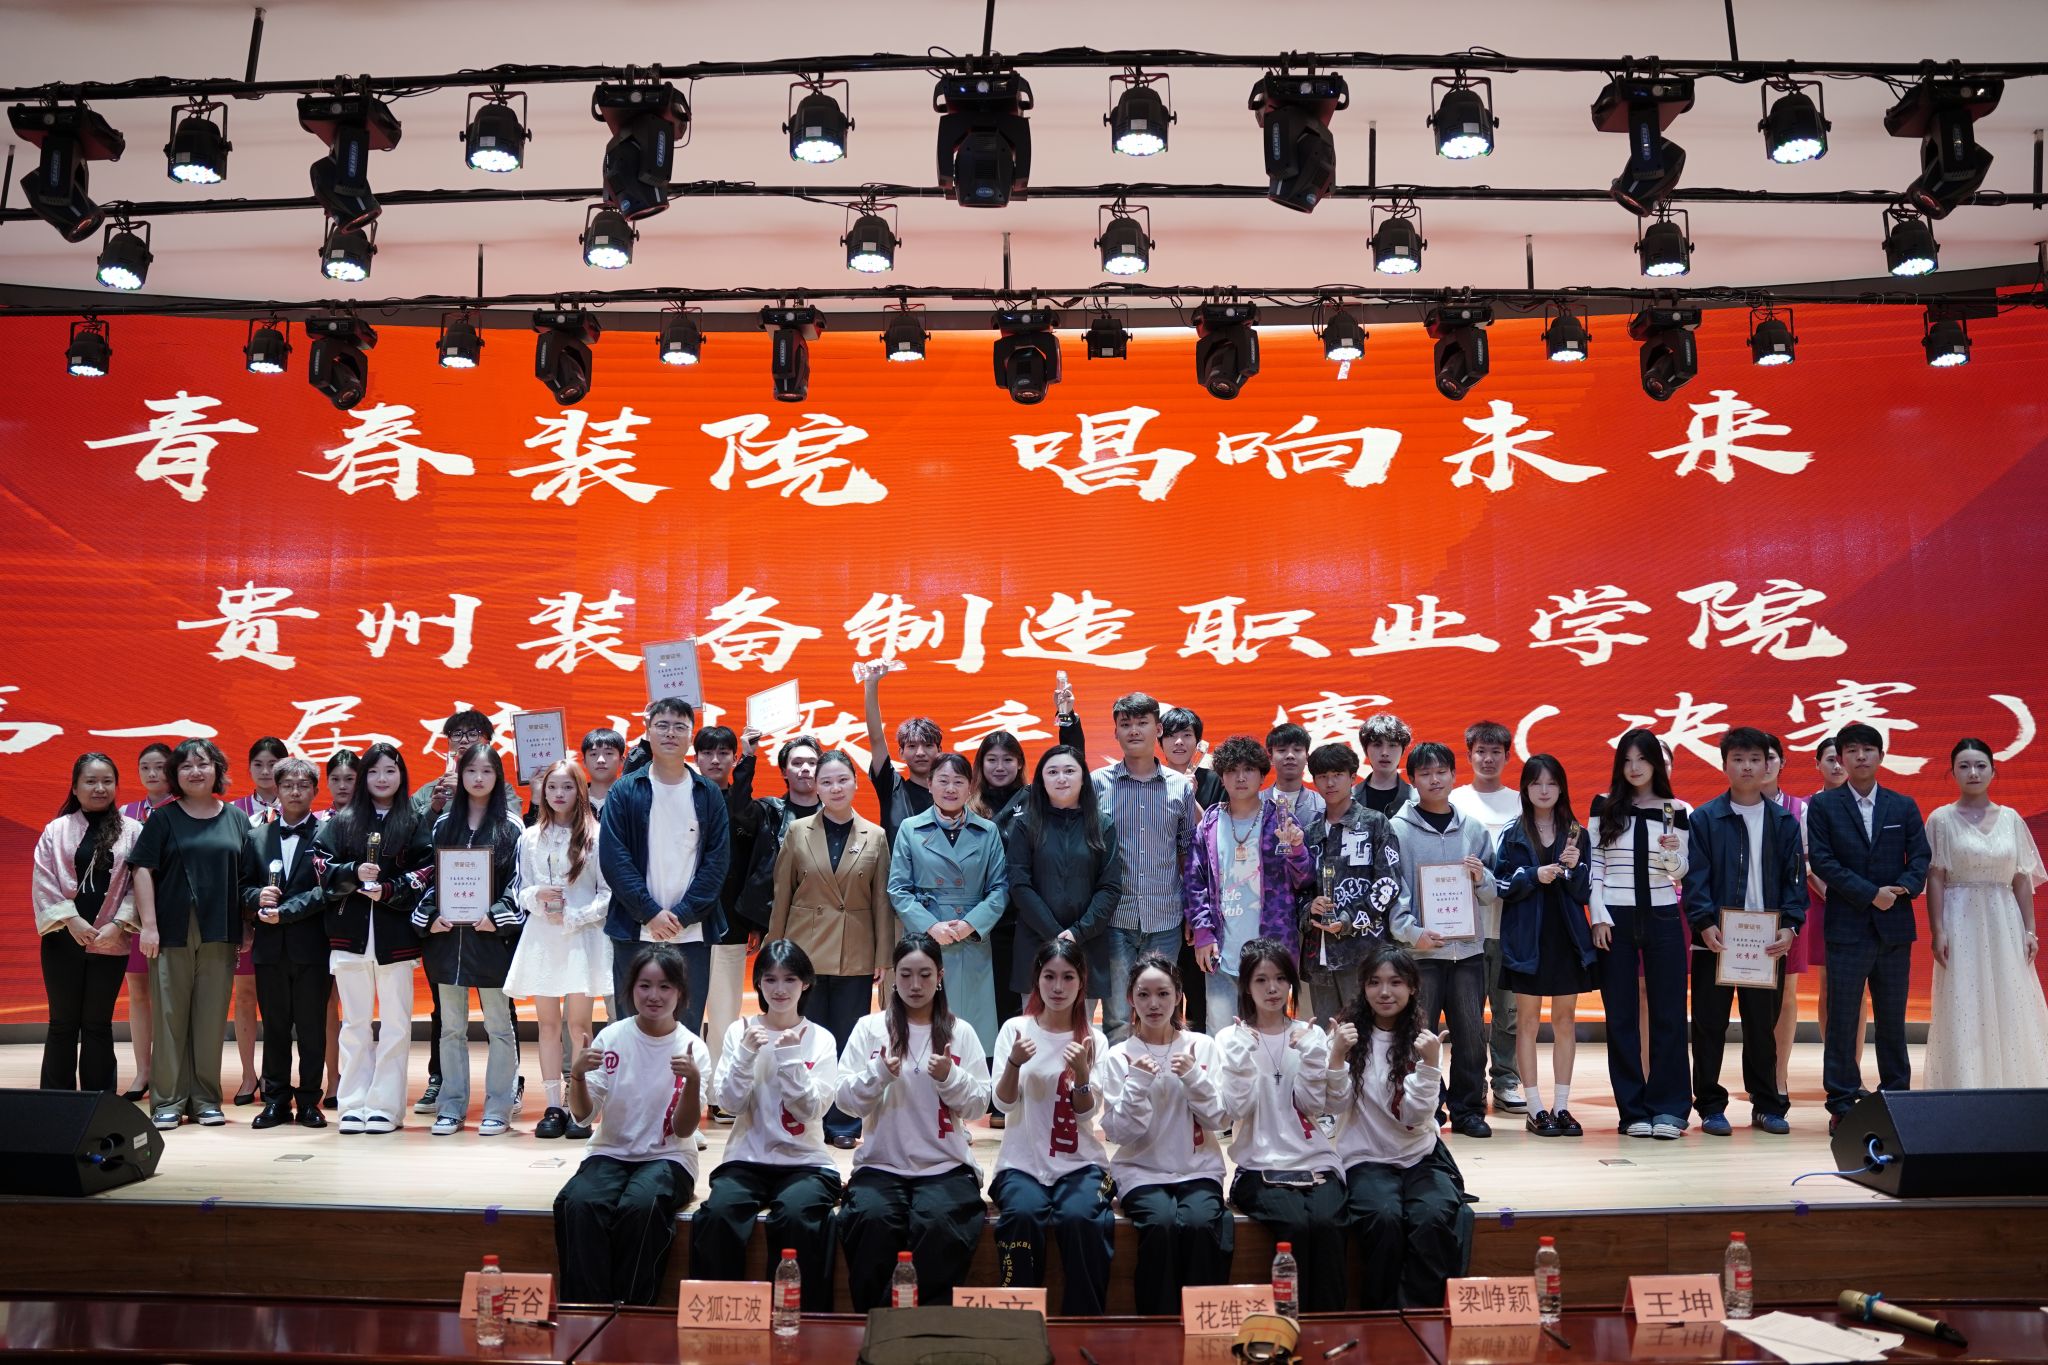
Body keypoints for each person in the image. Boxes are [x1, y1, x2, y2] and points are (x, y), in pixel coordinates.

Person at [834, 932, 993, 1312]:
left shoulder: (960, 1031)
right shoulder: (870, 1028)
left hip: (945, 1166)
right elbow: (844, 1102)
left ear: (940, 977)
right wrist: (877, 1075)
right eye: (906, 975)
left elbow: (977, 1106)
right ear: (893, 977)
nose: (915, 985)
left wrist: (950, 1077)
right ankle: (877, 1324)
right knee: (870, 1220)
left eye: (925, 975)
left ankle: (919, 1325)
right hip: (881, 1164)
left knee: (940, 1225)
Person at [690, 939, 844, 1310]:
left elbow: (811, 1111)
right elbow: (729, 1104)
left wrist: (790, 1058)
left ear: (806, 983)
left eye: (789, 979)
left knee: (798, 1218)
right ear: (758, 983)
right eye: (770, 979)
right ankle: (720, 1317)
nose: (779, 989)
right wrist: (745, 1054)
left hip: (806, 1162)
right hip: (747, 1159)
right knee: (717, 1215)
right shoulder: (740, 1031)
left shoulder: (820, 1038)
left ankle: (799, 1320)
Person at [555, 943, 709, 1306]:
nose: (654, 995)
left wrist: (693, 1082)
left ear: (680, 993)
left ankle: (632, 1311)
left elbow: (684, 1131)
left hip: (669, 1158)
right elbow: (582, 1116)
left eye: (665, 986)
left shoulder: (691, 1048)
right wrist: (577, 1076)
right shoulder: (612, 1038)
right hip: (610, 1152)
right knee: (577, 1202)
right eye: (645, 985)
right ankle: (587, 1311)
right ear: (631, 989)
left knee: (643, 1206)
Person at [1332, 943, 1474, 1309]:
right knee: (1383, 1217)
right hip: (1365, 1157)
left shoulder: (1421, 1041)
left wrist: (1430, 1066)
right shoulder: (1349, 1038)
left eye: (1395, 982)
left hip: (1419, 1155)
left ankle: (1421, 1316)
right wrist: (1335, 1057)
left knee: (1432, 1216)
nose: (1384, 992)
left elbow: (1414, 1118)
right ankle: (1380, 1316)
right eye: (1374, 982)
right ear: (1363, 987)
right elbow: (1333, 1106)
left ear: (1412, 987)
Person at [1807, 722, 1931, 1133]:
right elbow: (1823, 861)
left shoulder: (1903, 805)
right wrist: (1870, 893)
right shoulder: (1824, 806)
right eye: (1852, 750)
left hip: (1894, 928)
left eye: (1868, 749)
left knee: (1892, 1020)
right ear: (1841, 758)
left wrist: (1902, 889)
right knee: (1842, 1020)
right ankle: (1842, 1103)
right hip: (1847, 928)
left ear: (1881, 756)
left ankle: (1897, 1097)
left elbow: (1920, 857)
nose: (1860, 757)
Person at [1682, 729, 1805, 1136]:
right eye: (1738, 759)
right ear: (1724, 765)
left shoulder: (1784, 821)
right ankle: (1710, 1106)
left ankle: (1766, 1104)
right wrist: (1704, 923)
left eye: (1755, 759)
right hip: (1715, 940)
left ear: (1769, 764)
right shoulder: (1704, 818)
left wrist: (1790, 925)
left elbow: (1794, 881)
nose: (1747, 766)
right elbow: (1695, 879)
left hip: (1766, 942)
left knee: (1761, 1027)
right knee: (1708, 1025)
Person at [1097, 952, 1233, 1316]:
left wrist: (1194, 1077)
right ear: (1130, 998)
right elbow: (1119, 1134)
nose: (1153, 1004)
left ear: (1178, 996)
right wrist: (1137, 1085)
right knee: (1160, 1224)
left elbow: (1219, 1118)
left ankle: (1203, 1320)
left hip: (1197, 1168)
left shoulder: (1202, 1046)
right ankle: (1158, 1324)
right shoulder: (1119, 1055)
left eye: (1163, 994)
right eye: (1143, 995)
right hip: (1140, 1170)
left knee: (1201, 1224)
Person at [129, 738, 255, 1130]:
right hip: (171, 930)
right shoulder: (163, 818)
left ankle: (205, 1100)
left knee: (211, 1017)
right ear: (175, 774)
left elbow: (246, 879)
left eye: (203, 764)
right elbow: (142, 870)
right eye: (186, 766)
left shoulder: (236, 819)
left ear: (217, 770)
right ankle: (167, 1100)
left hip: (221, 929)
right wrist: (149, 925)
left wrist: (246, 924)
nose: (195, 772)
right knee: (170, 1015)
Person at [770, 750, 892, 1149]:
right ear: (816, 787)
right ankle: (802, 1118)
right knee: (805, 1037)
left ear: (855, 783)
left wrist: (883, 957)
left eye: (842, 780)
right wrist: (775, 953)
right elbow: (782, 895)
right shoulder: (797, 831)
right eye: (826, 782)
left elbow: (882, 902)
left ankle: (842, 1123)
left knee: (846, 1039)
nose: (835, 788)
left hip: (854, 950)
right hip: (802, 951)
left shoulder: (875, 835)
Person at [1216, 938, 1346, 1314]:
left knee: (1328, 1222)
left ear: (1290, 982)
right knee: (1295, 1225)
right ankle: (1288, 1321)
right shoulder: (1230, 1038)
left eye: (1280, 979)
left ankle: (1330, 1326)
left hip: (1314, 1159)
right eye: (1261, 980)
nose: (1272, 988)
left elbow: (1313, 1106)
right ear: (1246, 986)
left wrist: (1313, 1054)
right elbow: (1235, 1110)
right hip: (1259, 1164)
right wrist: (1241, 1060)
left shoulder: (1310, 1034)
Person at [989, 939, 1115, 1315]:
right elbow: (1003, 1104)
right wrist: (1013, 1063)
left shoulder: (1094, 1039)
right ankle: (1019, 1323)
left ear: (1082, 983)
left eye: (1068, 977)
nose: (1058, 987)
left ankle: (1083, 1323)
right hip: (1021, 1164)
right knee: (1021, 1216)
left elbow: (1085, 1116)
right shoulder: (1016, 1029)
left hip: (1081, 1165)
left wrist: (1082, 1076)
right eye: (1049, 976)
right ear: (1037, 980)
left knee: (1081, 1218)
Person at [315, 742, 433, 1135]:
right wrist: (352, 872)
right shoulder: (343, 820)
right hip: (348, 935)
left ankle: (385, 1106)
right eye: (374, 771)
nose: (382, 779)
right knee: (355, 1023)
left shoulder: (414, 821)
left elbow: (428, 871)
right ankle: (352, 1103)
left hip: (395, 935)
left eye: (390, 771)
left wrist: (390, 889)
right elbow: (319, 864)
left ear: (402, 776)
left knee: (397, 1023)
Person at [598, 697, 732, 1040]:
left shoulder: (708, 794)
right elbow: (614, 859)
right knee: (632, 1031)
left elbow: (716, 863)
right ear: (648, 732)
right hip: (634, 930)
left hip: (692, 934)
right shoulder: (625, 790)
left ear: (691, 737)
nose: (671, 733)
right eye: (662, 725)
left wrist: (682, 916)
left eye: (680, 727)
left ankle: (680, 1082)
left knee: (685, 1031)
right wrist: (650, 913)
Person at [1388, 743, 1501, 1138]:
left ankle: (1468, 1110)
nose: (1434, 779)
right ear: (1412, 780)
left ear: (1454, 775)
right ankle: (1426, 1108)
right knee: (1420, 1036)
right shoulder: (1398, 830)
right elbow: (1393, 889)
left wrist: (1480, 877)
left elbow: (1492, 890)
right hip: (1420, 953)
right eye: (1425, 773)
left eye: (1441, 772)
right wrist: (1413, 932)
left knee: (1471, 1036)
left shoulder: (1473, 829)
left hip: (1467, 950)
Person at [415, 744, 526, 1137]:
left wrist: (497, 916)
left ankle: (499, 1107)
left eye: (487, 771)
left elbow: (519, 884)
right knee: (450, 1029)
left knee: (499, 1027)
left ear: (498, 777)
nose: (478, 778)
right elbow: (427, 877)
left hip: (492, 941)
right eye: (471, 771)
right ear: (459, 776)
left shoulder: (512, 827)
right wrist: (430, 916)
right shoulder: (443, 824)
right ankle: (451, 1106)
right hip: (448, 941)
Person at [1924, 738, 2047, 1087]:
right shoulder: (1941, 819)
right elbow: (1935, 878)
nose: (1973, 773)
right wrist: (1938, 930)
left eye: (1980, 765)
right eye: (1964, 766)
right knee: (1964, 1001)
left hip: (2004, 920)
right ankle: (1967, 1085)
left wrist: (2030, 931)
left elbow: (2021, 879)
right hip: (1959, 919)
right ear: (1952, 773)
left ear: (1994, 771)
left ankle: (2016, 1087)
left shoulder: (2011, 819)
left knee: (2011, 997)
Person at [1588, 729, 1692, 1140]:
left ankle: (1670, 1109)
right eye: (1627, 760)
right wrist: (1598, 916)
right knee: (1621, 1016)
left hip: (1664, 914)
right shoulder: (1603, 805)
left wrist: (1671, 852)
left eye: (1643, 759)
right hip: (1615, 917)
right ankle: (1632, 1111)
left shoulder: (1675, 809)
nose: (1635, 768)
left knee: (1669, 1014)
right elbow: (1595, 863)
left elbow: (1679, 872)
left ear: (1655, 764)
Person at [507, 759, 612, 1140]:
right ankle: (553, 1105)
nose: (559, 794)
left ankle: (579, 1105)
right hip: (542, 937)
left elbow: (607, 893)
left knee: (579, 1026)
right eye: (552, 787)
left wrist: (575, 916)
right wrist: (538, 896)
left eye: (567, 787)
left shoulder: (596, 835)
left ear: (580, 790)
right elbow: (520, 890)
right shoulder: (530, 837)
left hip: (582, 937)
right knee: (548, 1025)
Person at [1492, 755, 1594, 1138]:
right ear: (1526, 788)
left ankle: (1561, 1106)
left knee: (1565, 1021)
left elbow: (1585, 892)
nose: (1545, 790)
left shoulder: (1577, 833)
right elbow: (1500, 884)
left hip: (1567, 938)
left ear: (1562, 787)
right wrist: (1535, 875)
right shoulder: (1513, 831)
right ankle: (1535, 1107)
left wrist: (1575, 868)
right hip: (1526, 939)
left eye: (1552, 782)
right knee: (1527, 1022)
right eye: (1537, 783)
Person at [1186, 737, 1315, 1036]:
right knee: (1221, 1034)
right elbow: (1195, 881)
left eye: (1248, 769)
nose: (1240, 777)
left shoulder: (1280, 818)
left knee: (1270, 1033)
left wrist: (1297, 849)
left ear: (1262, 774)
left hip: (1272, 948)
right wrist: (1203, 933)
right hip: (1221, 950)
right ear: (1222, 776)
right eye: (1232, 770)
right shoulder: (1210, 822)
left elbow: (1304, 879)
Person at [889, 753, 1009, 1065]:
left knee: (970, 1032)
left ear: (971, 787)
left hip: (971, 940)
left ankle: (972, 1087)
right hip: (925, 941)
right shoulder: (910, 828)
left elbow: (999, 888)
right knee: (922, 1027)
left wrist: (971, 924)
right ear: (929, 784)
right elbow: (898, 889)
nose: (951, 788)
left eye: (958, 781)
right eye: (943, 780)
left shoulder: (987, 831)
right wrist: (930, 927)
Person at [1092, 692, 1198, 1044]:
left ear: (1158, 730)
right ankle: (1120, 1078)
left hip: (1165, 918)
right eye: (1126, 724)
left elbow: (1187, 854)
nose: (1134, 731)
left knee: (1162, 1014)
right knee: (1117, 1018)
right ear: (1116, 732)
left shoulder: (1180, 787)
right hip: (1115, 919)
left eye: (1142, 723)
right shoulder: (1097, 783)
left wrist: (1191, 912)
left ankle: (1164, 1075)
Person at [33, 753, 142, 1091]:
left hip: (111, 940)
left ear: (116, 786)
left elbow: (140, 885)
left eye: (107, 781)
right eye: (90, 781)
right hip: (62, 939)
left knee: (98, 1024)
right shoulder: (56, 830)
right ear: (75, 787)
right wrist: (72, 920)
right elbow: (44, 879)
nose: (99, 788)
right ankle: (56, 1105)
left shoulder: (133, 830)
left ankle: (99, 1102)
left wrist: (119, 924)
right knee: (62, 1023)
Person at [408, 709, 497, 1117]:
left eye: (473, 733)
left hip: (490, 921)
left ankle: (507, 1086)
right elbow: (412, 844)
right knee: (444, 1011)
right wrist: (435, 808)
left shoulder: (502, 790)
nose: (464, 739)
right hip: (446, 920)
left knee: (501, 1010)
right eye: (456, 734)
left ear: (489, 741)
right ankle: (441, 1082)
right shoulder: (431, 790)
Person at [238, 758, 332, 1129]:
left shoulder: (328, 834)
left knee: (311, 1029)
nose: (295, 791)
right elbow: (242, 886)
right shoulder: (256, 837)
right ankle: (275, 1100)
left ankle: (309, 1101)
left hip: (313, 947)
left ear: (315, 791)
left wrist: (287, 911)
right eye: (288, 785)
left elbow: (328, 890)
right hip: (270, 948)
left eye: (303, 785)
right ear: (276, 790)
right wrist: (256, 896)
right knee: (275, 1028)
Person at [1004, 745, 1121, 1022]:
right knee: (1035, 1032)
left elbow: (1110, 887)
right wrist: (1055, 934)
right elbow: (1019, 885)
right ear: (1041, 780)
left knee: (1079, 1033)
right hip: (1036, 944)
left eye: (1069, 771)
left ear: (1083, 778)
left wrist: (1077, 933)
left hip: (1086, 944)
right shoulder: (1026, 825)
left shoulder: (1102, 825)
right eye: (1052, 772)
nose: (1061, 778)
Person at [1449, 721, 1524, 1119]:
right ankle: (1472, 1080)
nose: (1488, 758)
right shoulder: (1455, 800)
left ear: (1508, 756)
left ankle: (1506, 1079)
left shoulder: (1521, 803)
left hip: (1510, 925)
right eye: (1481, 751)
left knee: (1508, 1013)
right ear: (1469, 755)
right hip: (1466, 928)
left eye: (1496, 752)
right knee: (1468, 1015)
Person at [1299, 743, 1402, 1028]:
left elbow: (1388, 885)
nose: (1330, 783)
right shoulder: (1309, 833)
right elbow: (1297, 888)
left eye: (1337, 775)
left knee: (1368, 1033)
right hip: (1319, 956)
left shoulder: (1374, 823)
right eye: (1322, 776)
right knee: (1328, 1037)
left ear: (1353, 777)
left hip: (1364, 952)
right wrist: (1309, 908)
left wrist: (1348, 919)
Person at [692, 723, 758, 1101]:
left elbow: (752, 868)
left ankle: (717, 1095)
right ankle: (686, 1092)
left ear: (734, 758)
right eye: (707, 753)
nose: (715, 760)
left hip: (730, 925)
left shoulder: (743, 805)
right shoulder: (682, 798)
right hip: (685, 923)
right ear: (696, 757)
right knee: (683, 1013)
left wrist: (753, 922)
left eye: (723, 753)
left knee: (724, 1015)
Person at [226, 735, 289, 1106]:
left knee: (279, 1000)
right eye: (259, 765)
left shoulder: (298, 807)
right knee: (246, 995)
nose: (266, 772)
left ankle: (277, 1075)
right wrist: (244, 918)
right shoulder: (233, 811)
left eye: (273, 765)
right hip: (246, 917)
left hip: (286, 920)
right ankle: (249, 1074)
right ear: (248, 768)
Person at [120, 743, 173, 1102]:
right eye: (145, 768)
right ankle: (143, 1071)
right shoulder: (125, 814)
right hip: (136, 918)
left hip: (175, 915)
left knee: (174, 996)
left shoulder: (187, 809)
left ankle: (173, 1073)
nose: (152, 774)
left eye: (160, 767)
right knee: (138, 992)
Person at [1804, 736, 1860, 1071]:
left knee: (1859, 988)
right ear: (1818, 765)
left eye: (1842, 759)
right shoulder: (1808, 807)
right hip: (1824, 903)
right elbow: (1808, 862)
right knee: (1830, 984)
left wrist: (1859, 895)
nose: (1837, 766)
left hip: (1862, 904)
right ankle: (1835, 1066)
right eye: (1830, 759)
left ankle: (1854, 1066)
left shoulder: (1866, 803)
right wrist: (1836, 894)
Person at [969, 728, 1030, 1038]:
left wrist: (1066, 719)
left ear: (1019, 763)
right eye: (992, 759)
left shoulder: (1034, 798)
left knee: (1022, 1007)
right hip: (982, 923)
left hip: (1025, 920)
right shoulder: (968, 805)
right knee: (984, 1005)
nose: (1000, 766)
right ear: (981, 764)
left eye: (1008, 759)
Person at [1761, 736, 1808, 1097]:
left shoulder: (1798, 808)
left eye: (1770, 757)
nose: (1761, 765)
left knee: (1787, 993)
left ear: (1781, 763)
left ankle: (1779, 1075)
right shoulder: (1725, 808)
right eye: (1751, 758)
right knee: (1751, 996)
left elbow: (1806, 863)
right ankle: (1757, 1075)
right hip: (1743, 915)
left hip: (1787, 912)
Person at [318, 749, 360, 1108]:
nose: (343, 785)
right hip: (321, 922)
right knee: (328, 1004)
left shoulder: (373, 821)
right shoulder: (319, 822)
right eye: (336, 779)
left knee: (358, 1008)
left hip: (361, 923)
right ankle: (333, 1079)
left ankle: (358, 1078)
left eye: (350, 778)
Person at [862, 663, 939, 844]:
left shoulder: (950, 794)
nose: (920, 753)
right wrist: (871, 684)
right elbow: (876, 738)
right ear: (901, 753)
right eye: (912, 746)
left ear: (939, 751)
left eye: (928, 745)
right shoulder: (892, 788)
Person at [1160, 705, 1225, 810]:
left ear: (1197, 741)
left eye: (1187, 735)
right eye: (1171, 735)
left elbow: (1218, 821)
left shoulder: (1216, 781)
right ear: (1161, 743)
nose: (1179, 742)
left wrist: (1190, 798)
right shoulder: (1151, 782)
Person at [1262, 722, 1326, 827]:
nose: (1290, 755)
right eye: (1282, 750)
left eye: (1297, 750)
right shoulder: (1254, 803)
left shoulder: (1322, 805)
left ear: (1307, 757)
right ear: (1270, 758)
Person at [1355, 713, 1416, 818]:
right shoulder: (1348, 799)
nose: (1385, 753)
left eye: (1392, 745)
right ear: (1365, 750)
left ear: (1403, 750)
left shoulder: (1418, 800)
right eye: (1377, 745)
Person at [580, 727, 627, 811]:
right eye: (593, 754)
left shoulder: (631, 799)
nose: (600, 760)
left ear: (621, 760)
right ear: (584, 762)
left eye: (608, 753)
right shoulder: (574, 800)